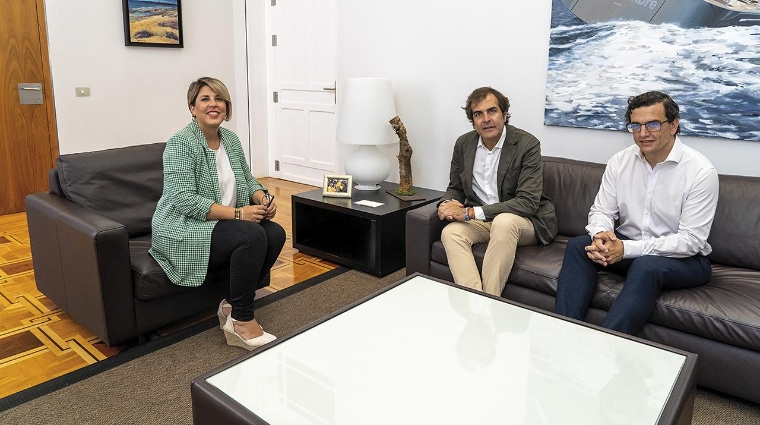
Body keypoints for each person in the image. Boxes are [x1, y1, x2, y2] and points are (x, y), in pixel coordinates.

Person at [554, 91, 719, 335]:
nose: (643, 133)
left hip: (685, 260)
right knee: (579, 246)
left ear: (673, 125)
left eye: (653, 124)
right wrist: (602, 235)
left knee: (646, 266)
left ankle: (607, 344)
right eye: (636, 125)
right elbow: (601, 210)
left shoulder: (700, 171)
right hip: (630, 249)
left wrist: (625, 249)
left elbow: (690, 241)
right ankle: (564, 333)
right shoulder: (620, 162)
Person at [150, 77, 286, 350]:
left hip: (221, 221)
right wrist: (239, 214)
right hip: (183, 226)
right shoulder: (180, 143)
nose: (213, 104)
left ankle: (232, 307)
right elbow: (183, 199)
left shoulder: (231, 139)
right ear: (192, 108)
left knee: (275, 232)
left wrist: (263, 198)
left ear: (226, 106)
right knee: (250, 235)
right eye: (205, 99)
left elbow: (247, 181)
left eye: (219, 99)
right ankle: (242, 321)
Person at [438, 87, 557, 296]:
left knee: (504, 222)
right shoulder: (463, 144)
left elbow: (527, 202)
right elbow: (456, 188)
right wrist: (446, 204)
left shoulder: (527, 145)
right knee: (451, 233)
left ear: (504, 114)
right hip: (484, 221)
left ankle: (490, 300)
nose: (486, 119)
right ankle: (477, 305)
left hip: (526, 220)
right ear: (473, 120)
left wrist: (469, 213)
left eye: (492, 111)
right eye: (478, 114)